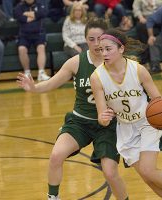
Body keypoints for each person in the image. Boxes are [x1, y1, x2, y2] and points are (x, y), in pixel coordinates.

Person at [17, 18, 129, 200]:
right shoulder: (76, 62)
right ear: (85, 40)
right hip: (80, 122)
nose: (95, 43)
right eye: (91, 39)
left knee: (110, 173)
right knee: (56, 156)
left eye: (99, 38)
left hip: (108, 126)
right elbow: (53, 83)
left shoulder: (119, 63)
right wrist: (34, 88)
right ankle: (53, 197)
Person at [90, 28, 162, 200]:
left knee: (149, 170)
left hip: (148, 122)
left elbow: (157, 99)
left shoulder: (138, 70)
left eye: (108, 49)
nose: (104, 53)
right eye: (100, 50)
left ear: (121, 49)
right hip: (125, 128)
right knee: (149, 179)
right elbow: (102, 116)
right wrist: (103, 119)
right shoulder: (96, 78)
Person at [14, 0, 51, 81]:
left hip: (39, 33)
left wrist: (28, 14)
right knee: (21, 49)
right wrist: (35, 16)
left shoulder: (40, 4)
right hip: (24, 34)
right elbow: (19, 16)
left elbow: (44, 13)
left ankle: (41, 73)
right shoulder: (19, 7)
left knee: (41, 47)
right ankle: (27, 73)